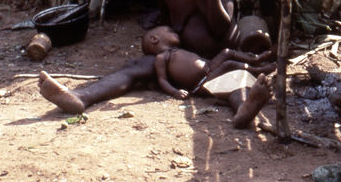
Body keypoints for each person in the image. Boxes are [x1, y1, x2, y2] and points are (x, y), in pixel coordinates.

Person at [38, 26, 275, 128]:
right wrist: (170, 89)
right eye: (169, 30)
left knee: (237, 79)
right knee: (233, 75)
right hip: (200, 77)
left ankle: (245, 109)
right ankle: (80, 96)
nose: (174, 31)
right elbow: (162, 77)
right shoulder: (163, 56)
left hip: (211, 66)